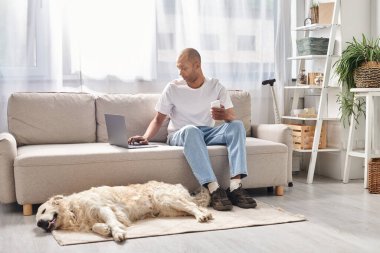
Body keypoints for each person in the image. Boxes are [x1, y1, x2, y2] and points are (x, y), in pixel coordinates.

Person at [128, 48, 256, 211]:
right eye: (178, 68)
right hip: (181, 134)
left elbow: (231, 115)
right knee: (191, 130)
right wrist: (146, 137)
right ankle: (214, 189)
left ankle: (236, 187)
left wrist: (223, 114)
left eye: (184, 68)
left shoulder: (215, 86)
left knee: (237, 125)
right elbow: (158, 119)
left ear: (197, 65)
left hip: (206, 133)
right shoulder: (173, 88)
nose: (180, 73)